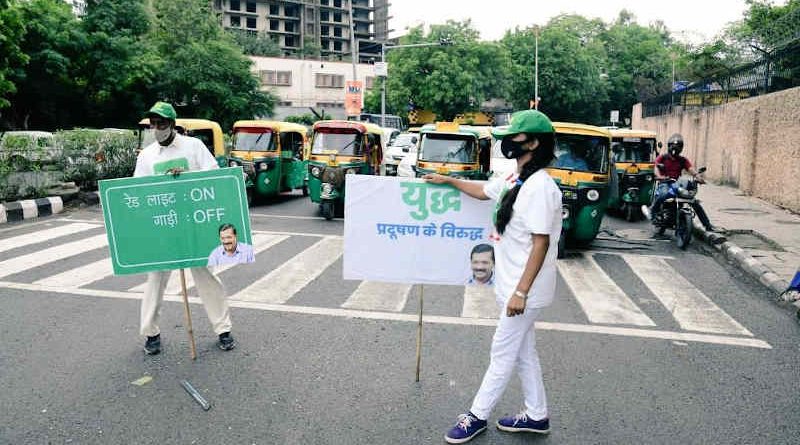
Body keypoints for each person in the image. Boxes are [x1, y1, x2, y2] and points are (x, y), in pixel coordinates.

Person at [425, 109, 562, 443]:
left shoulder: (540, 187)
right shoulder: (516, 178)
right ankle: (536, 415)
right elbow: (484, 191)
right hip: (512, 284)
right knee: (524, 353)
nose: (507, 143)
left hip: (525, 291)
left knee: (502, 351)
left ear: (533, 142)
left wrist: (521, 293)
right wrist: (448, 180)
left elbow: (541, 243)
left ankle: (477, 415)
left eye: (514, 138)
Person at [134, 101, 236, 354]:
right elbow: (137, 191)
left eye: (162, 123)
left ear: (173, 124)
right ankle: (151, 334)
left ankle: (223, 329)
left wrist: (188, 177)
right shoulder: (147, 156)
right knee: (155, 279)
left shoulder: (194, 147)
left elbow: (213, 177)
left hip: (193, 226)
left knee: (206, 276)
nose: (157, 128)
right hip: (164, 229)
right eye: (153, 124)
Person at [647, 133, 714, 231]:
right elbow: (656, 168)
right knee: (663, 195)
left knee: (694, 202)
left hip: (676, 183)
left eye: (678, 146)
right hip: (665, 182)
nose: (675, 148)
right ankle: (652, 212)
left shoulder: (682, 160)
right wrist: (660, 176)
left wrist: (697, 177)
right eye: (673, 146)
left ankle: (707, 225)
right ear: (669, 146)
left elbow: (691, 169)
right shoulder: (662, 158)